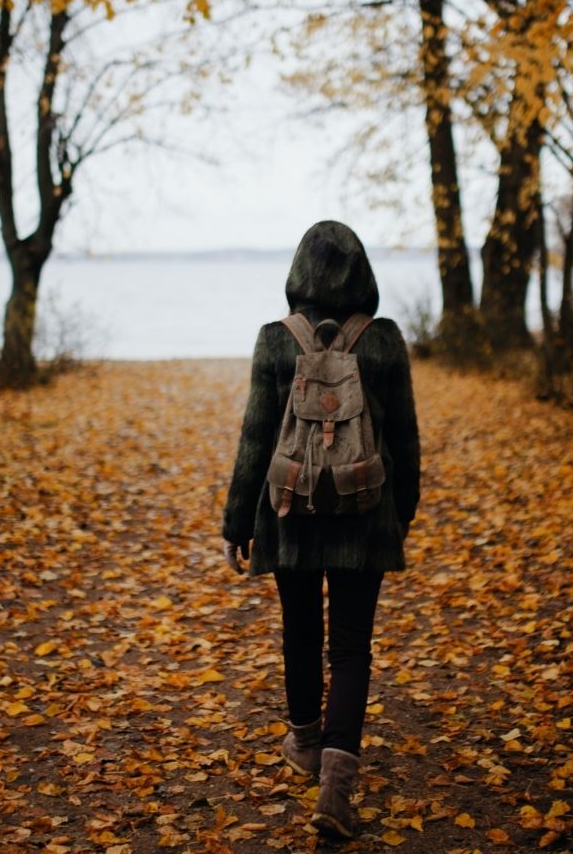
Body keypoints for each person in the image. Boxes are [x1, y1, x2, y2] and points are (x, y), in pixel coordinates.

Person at [221, 220, 421, 839]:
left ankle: (305, 743)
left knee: (301, 634)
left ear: (298, 275)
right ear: (364, 274)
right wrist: (401, 512)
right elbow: (406, 440)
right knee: (352, 646)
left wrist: (237, 522)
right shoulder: (383, 340)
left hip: (290, 514)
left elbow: (255, 439)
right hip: (365, 515)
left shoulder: (276, 341)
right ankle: (337, 783)